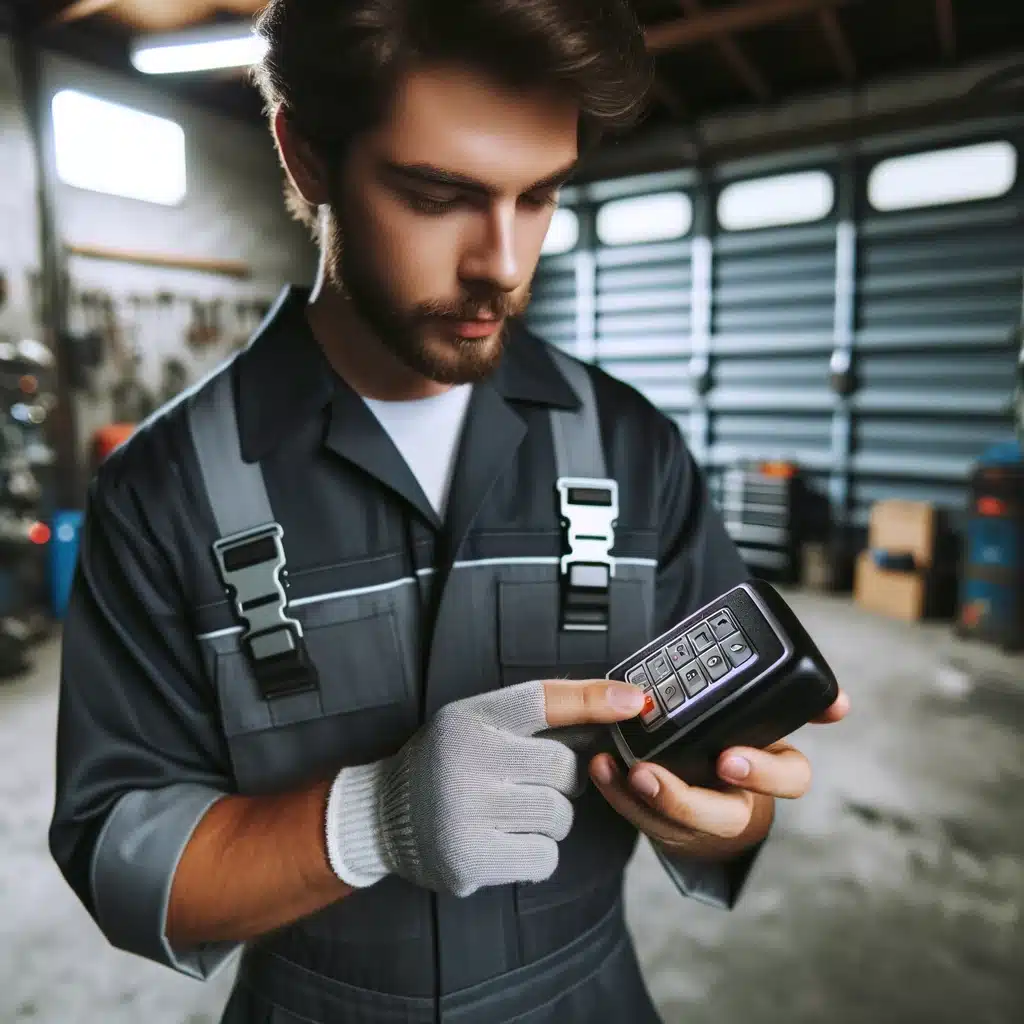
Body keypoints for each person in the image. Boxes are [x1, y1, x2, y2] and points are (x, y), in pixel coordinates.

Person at [48, 1, 850, 1021]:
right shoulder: (163, 490)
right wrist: (368, 820)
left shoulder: (631, 446)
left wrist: (719, 818)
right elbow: (122, 858)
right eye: (437, 194)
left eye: (540, 196)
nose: (503, 265)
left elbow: (724, 786)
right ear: (305, 155)